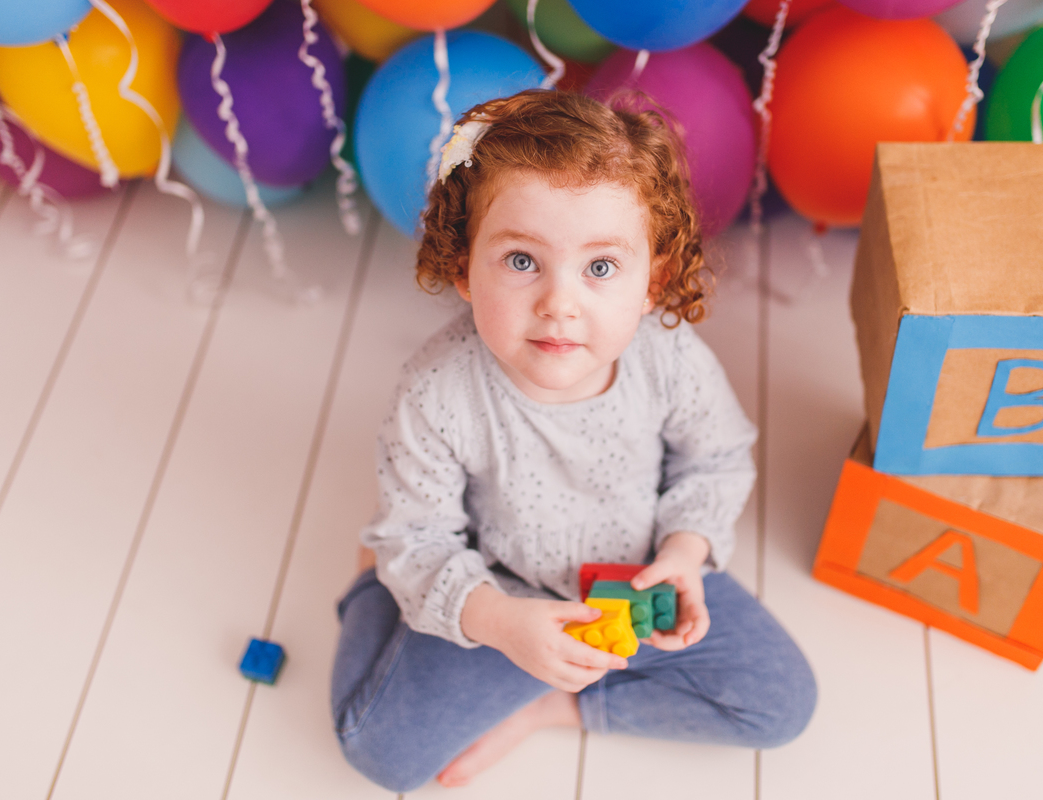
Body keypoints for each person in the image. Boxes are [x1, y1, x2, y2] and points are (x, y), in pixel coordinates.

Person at [330, 89, 816, 792]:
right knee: (378, 750)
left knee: (781, 703)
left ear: (653, 281)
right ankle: (368, 590)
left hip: (638, 579)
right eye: (522, 261)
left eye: (600, 268)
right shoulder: (437, 393)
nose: (560, 302)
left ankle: (553, 708)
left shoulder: (668, 357)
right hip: (504, 594)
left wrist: (683, 555)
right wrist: (498, 622)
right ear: (464, 266)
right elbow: (421, 540)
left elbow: (713, 460)